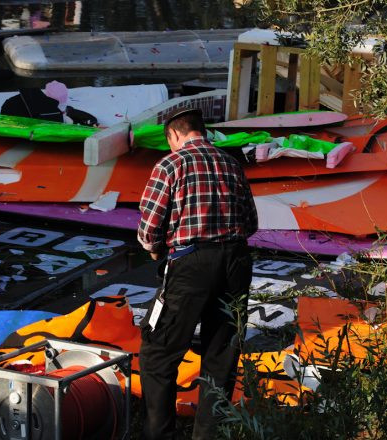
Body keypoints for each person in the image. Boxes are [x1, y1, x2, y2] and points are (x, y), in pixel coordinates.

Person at [137, 107, 258, 440]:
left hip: (191, 265)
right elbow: (251, 224)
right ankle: (207, 435)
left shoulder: (170, 164)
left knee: (158, 352)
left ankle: (159, 434)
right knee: (221, 356)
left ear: (174, 135)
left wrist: (155, 250)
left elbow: (149, 228)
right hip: (236, 264)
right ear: (201, 131)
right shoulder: (232, 163)